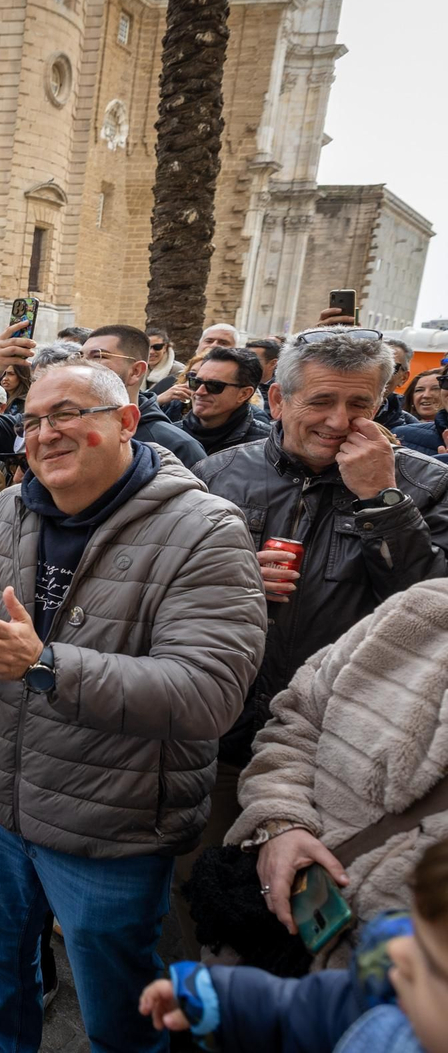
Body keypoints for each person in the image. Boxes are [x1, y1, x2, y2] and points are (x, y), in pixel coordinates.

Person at [0, 359, 265, 1053]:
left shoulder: (205, 529)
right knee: (4, 968)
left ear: (126, 421)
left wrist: (44, 665)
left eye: (67, 414)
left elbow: (208, 694)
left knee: (118, 1011)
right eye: (32, 419)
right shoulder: (6, 509)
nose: (44, 432)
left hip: (111, 829)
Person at [193, 326, 448, 858]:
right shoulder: (215, 476)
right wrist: (232, 579)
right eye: (322, 401)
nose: (338, 422)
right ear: (279, 399)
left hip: (340, 752)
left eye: (359, 403)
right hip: (217, 739)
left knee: (311, 918)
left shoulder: (428, 486)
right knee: (205, 904)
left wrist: (382, 499)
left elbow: (431, 618)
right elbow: (157, 595)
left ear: (382, 402)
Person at [220, 578, 448, 968]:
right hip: (269, 948)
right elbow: (298, 718)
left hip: (399, 1008)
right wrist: (279, 823)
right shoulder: (421, 608)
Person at [139, 838, 448, 1053]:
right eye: (414, 935)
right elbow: (295, 1010)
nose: (399, 952)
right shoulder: (378, 999)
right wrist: (215, 1000)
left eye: (433, 963)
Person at [78, 323, 209, 466]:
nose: (82, 364)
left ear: (136, 371)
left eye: (98, 356)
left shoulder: (178, 446)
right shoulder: (64, 428)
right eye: (79, 356)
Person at [178, 347, 272, 456]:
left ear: (244, 394)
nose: (199, 392)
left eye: (214, 386)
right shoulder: (168, 435)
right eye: (196, 382)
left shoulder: (267, 447)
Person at [379, 338, 423, 430]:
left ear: (404, 378)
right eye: (373, 364)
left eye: (391, 367)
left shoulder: (411, 428)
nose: (377, 373)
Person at [145, 328, 186, 393]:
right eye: (147, 347)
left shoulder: (179, 371)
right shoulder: (138, 370)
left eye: (157, 347)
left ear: (165, 347)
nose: (151, 352)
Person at [246, 337, 282, 405]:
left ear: (273, 363)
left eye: (253, 359)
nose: (246, 363)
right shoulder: (235, 382)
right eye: (245, 358)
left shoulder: (282, 391)